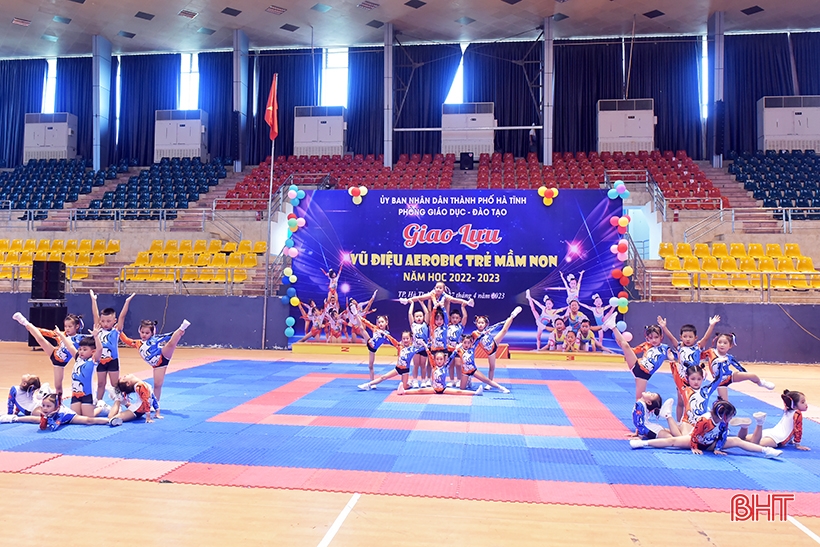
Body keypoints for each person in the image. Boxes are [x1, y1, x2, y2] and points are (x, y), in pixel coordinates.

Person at [629, 400, 782, 458]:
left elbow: (722, 435)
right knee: (673, 441)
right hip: (697, 440)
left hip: (712, 443)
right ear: (722, 415)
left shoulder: (723, 422)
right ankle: (643, 444)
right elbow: (695, 435)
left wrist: (718, 448)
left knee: (736, 440)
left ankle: (766, 451)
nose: (729, 419)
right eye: (729, 416)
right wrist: (694, 447)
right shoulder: (705, 420)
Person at [658, 315, 720, 420]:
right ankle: (679, 422)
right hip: (682, 379)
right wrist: (664, 327)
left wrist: (711, 325)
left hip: (694, 378)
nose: (687, 339)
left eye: (690, 337)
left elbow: (706, 338)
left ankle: (696, 419)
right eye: (685, 336)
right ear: (681, 337)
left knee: (695, 400)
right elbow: (671, 337)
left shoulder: (698, 347)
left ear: (695, 338)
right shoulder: (679, 347)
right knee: (681, 402)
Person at [13, 312, 85, 402]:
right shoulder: (62, 334)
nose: (67, 329)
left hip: (60, 364)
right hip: (53, 352)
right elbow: (48, 333)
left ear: (77, 326)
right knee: (40, 339)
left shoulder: (80, 338)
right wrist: (33, 329)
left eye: (70, 327)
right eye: (65, 326)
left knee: (58, 386)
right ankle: (24, 322)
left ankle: (59, 404)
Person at [120, 317, 190, 408]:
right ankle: (155, 405)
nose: (144, 335)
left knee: (170, 344)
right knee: (157, 385)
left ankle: (182, 327)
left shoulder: (155, 339)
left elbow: (169, 335)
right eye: (142, 332)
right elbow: (126, 340)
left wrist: (178, 333)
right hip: (157, 365)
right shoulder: (137, 343)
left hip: (162, 355)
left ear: (152, 333)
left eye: (147, 333)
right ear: (139, 331)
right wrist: (119, 331)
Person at [701, 333, 775, 401]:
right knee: (725, 403)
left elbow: (739, 367)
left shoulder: (729, 357)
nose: (722, 345)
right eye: (719, 342)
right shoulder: (711, 352)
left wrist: (745, 375)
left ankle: (760, 382)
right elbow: (700, 356)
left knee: (752, 375)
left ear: (730, 346)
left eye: (725, 343)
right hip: (720, 382)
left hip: (730, 377)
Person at [90, 290, 135, 401]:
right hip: (100, 360)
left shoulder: (116, 331)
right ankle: (99, 402)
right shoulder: (98, 329)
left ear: (114, 321)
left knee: (115, 384)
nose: (105, 323)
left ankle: (119, 402)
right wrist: (93, 300)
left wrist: (127, 302)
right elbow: (95, 314)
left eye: (108, 321)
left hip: (112, 361)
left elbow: (122, 317)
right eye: (103, 321)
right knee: (101, 383)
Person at [612, 324, 675, 400]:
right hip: (636, 366)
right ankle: (613, 327)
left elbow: (676, 354)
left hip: (643, 376)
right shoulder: (646, 345)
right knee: (625, 345)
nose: (654, 340)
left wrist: (672, 358)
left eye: (656, 337)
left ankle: (640, 411)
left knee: (639, 400)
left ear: (661, 336)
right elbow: (633, 351)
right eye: (651, 338)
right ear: (647, 338)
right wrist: (623, 347)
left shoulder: (665, 348)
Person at [736, 389, 810, 451]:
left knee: (742, 439)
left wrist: (791, 440)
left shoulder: (787, 409)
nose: (806, 404)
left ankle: (744, 427)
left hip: (771, 432)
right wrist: (797, 444)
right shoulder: (797, 413)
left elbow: (790, 426)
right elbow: (797, 429)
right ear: (793, 405)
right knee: (754, 445)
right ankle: (760, 422)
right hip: (778, 438)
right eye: (802, 402)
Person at [399, 343, 483, 396]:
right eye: (437, 359)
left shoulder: (445, 366)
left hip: (444, 389)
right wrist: (425, 346)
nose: (439, 361)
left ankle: (475, 393)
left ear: (444, 360)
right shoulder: (433, 366)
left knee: (459, 392)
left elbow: (452, 356)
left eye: (441, 359)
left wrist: (456, 349)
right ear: (435, 360)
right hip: (433, 389)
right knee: (419, 391)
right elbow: (429, 355)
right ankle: (403, 392)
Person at [57, 324, 104, 417]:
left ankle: (101, 406)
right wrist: (61, 335)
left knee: (88, 418)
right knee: (76, 416)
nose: (81, 351)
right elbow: (69, 345)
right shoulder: (78, 358)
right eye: (80, 349)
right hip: (75, 394)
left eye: (85, 349)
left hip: (88, 394)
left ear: (92, 351)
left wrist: (96, 336)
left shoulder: (93, 360)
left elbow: (100, 349)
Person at [1, 393, 121, 429]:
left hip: (68, 418)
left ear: (56, 407)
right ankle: (13, 418)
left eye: (48, 406)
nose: (44, 408)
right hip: (58, 418)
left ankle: (108, 418)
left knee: (88, 420)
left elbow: (54, 427)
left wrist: (44, 422)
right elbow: (34, 419)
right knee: (34, 418)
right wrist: (16, 418)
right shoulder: (47, 411)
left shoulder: (61, 412)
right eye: (43, 405)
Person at [470, 306, 522, 388]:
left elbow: (496, 328)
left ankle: (512, 315)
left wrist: (486, 332)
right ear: (476, 324)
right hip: (490, 351)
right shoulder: (474, 333)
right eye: (479, 323)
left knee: (504, 330)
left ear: (486, 324)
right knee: (491, 367)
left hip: (494, 342)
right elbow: (473, 342)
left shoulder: (488, 330)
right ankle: (488, 382)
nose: (480, 324)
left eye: (482, 323)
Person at [361, 315, 392, 382]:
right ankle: (355, 314)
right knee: (361, 329)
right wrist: (360, 318)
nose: (380, 323)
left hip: (373, 349)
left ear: (386, 323)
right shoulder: (375, 328)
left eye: (382, 322)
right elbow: (367, 323)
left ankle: (372, 382)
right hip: (369, 342)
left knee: (370, 366)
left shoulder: (386, 333)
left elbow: (391, 341)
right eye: (379, 322)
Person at [407, 301, 429, 389]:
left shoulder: (425, 324)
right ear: (414, 318)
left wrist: (422, 303)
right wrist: (412, 303)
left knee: (423, 365)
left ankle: (423, 380)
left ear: (423, 317)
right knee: (416, 364)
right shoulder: (413, 325)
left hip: (424, 348)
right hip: (416, 348)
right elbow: (409, 313)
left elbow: (427, 312)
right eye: (417, 316)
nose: (419, 318)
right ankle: (415, 380)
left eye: (420, 316)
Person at [445, 304, 468, 387]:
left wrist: (462, 307)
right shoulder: (447, 326)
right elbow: (446, 313)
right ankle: (451, 380)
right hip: (449, 348)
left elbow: (465, 316)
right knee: (450, 365)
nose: (455, 319)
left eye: (457, 318)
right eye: (453, 318)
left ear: (460, 319)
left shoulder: (461, 326)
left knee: (458, 364)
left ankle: (459, 380)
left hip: (458, 348)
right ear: (450, 318)